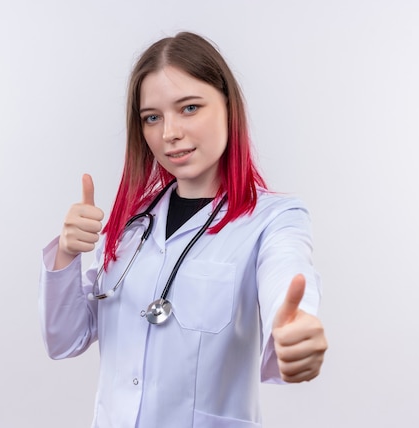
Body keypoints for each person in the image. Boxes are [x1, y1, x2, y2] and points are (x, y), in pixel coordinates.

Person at [39, 31, 327, 428]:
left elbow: (288, 278)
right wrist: (67, 254)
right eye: (152, 117)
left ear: (229, 106)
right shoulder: (131, 224)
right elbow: (65, 339)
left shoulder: (274, 220)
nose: (168, 132)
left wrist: (294, 327)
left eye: (189, 108)